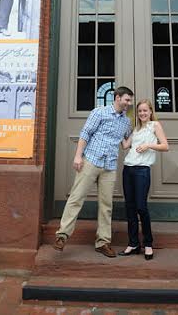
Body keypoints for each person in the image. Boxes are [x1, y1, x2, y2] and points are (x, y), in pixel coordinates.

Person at [53, 86, 134, 258]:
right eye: (127, 99)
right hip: (91, 161)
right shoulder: (99, 113)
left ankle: (103, 242)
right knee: (76, 198)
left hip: (110, 166)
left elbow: (125, 144)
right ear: (117, 97)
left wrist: (143, 129)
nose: (129, 103)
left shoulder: (126, 122)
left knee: (106, 206)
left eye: (130, 100)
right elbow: (85, 133)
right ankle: (62, 236)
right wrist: (78, 156)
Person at [119, 99, 169, 260]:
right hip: (128, 169)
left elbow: (165, 146)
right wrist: (119, 130)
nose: (142, 113)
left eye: (145, 111)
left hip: (142, 170)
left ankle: (148, 244)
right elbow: (125, 146)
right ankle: (133, 243)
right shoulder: (136, 129)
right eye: (140, 111)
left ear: (150, 111)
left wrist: (148, 145)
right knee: (130, 208)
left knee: (141, 207)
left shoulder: (155, 126)